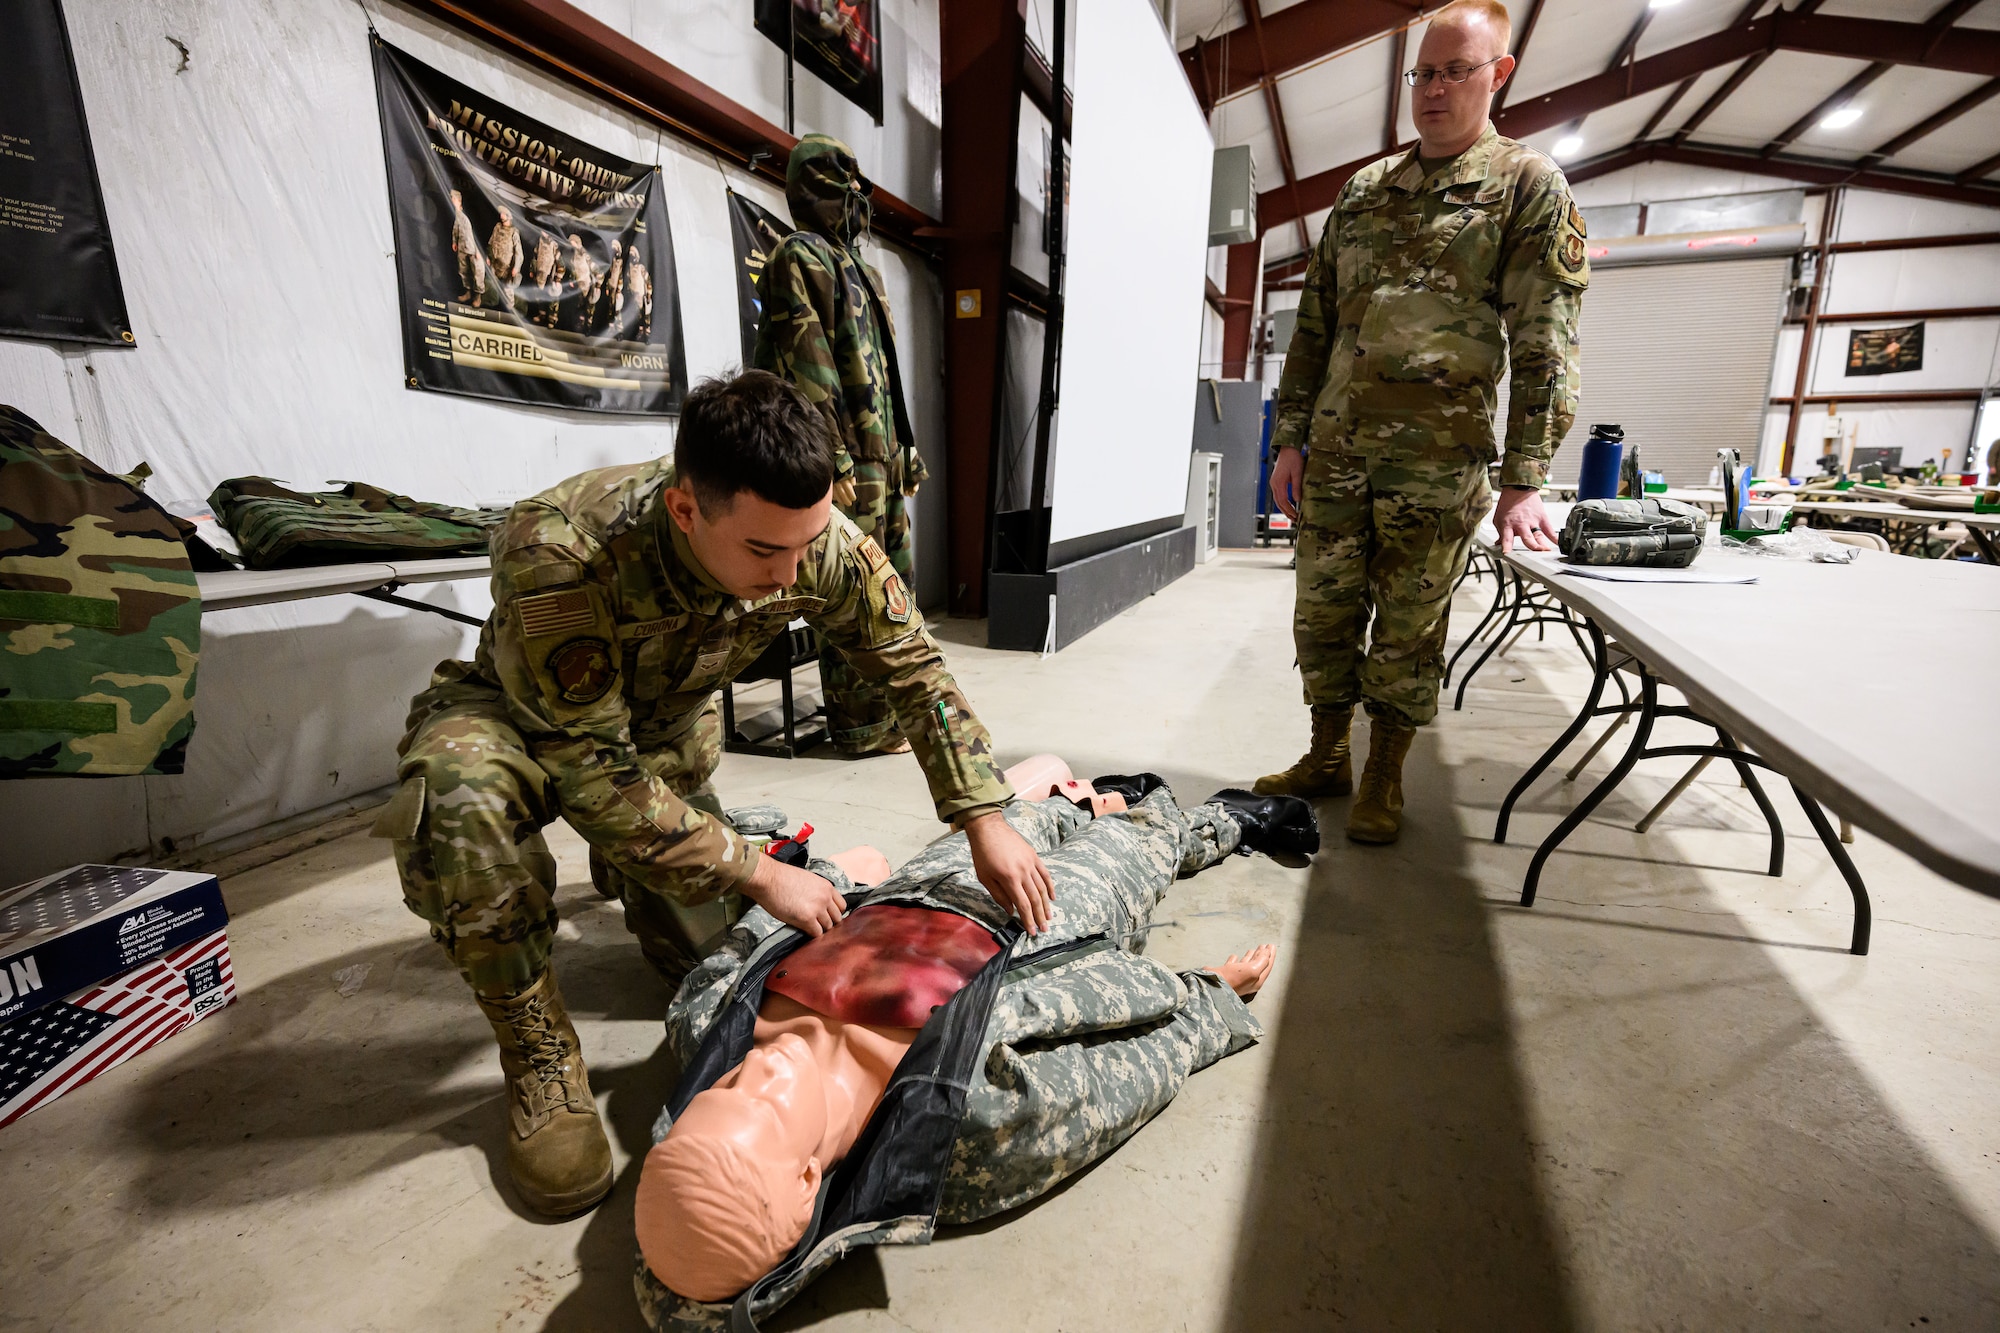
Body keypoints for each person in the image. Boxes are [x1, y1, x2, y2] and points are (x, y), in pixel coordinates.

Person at [372, 370, 1055, 1219]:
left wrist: (981, 815)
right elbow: (587, 763)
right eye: (766, 553)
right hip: (518, 724)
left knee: (712, 970)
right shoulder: (559, 548)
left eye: (804, 546)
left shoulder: (809, 540)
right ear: (686, 509)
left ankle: (638, 868)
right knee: (459, 802)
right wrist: (758, 871)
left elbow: (915, 672)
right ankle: (537, 1051)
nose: (791, 574)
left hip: (659, 745)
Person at [632, 772, 1315, 1330]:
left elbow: (746, 937)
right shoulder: (964, 1126)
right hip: (1043, 923)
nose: (758, 1069)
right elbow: (1112, 1078)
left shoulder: (705, 1024)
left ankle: (1074, 798)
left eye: (719, 1094)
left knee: (1020, 813)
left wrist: (834, 871)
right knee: (1138, 841)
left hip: (913, 890)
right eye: (765, 1108)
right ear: (808, 1180)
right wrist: (1209, 997)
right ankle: (1223, 818)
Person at [1257, 0, 1587, 844]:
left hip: (1436, 467)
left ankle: (1384, 771)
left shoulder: (1525, 186)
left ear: (1498, 74)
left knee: (1408, 626)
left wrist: (1525, 479)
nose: (1433, 90)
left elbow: (1546, 337)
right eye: (1423, 73)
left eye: (1454, 71)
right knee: (1322, 614)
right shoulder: (1365, 191)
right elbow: (1316, 325)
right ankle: (1327, 751)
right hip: (1334, 454)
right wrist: (1289, 437)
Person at [755, 134, 930, 757]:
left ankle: (895, 714)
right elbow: (808, 365)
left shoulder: (862, 267)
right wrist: (830, 455)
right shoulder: (795, 256)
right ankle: (860, 726)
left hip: (880, 458)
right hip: (848, 459)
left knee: (894, 591)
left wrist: (906, 446)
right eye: (844, 178)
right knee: (852, 593)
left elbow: (889, 369)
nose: (858, 191)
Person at [448, 189, 485, 306]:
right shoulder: (457, 215)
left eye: (453, 198)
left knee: (477, 272)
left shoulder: (465, 216)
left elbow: (474, 234)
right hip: (462, 247)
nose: (451, 200)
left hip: (471, 248)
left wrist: (477, 251)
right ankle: (468, 292)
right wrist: (455, 241)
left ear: (458, 201)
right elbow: (455, 229)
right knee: (463, 271)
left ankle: (478, 296)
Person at [487, 207, 525, 310]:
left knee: (508, 288)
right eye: (501, 213)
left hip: (507, 266)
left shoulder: (514, 232)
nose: (501, 215)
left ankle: (510, 307)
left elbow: (519, 252)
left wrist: (516, 267)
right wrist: (489, 257)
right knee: (492, 284)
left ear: (509, 216)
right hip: (495, 263)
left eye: (504, 214)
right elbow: (491, 243)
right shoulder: (497, 227)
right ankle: (492, 303)